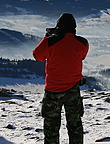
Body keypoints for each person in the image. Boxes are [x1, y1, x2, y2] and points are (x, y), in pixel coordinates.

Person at [33, 13, 89, 144]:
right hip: (73, 90)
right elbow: (82, 56)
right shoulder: (83, 43)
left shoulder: (50, 42)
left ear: (58, 27)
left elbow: (38, 56)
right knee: (75, 126)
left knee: (51, 129)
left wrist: (47, 36)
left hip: (53, 90)